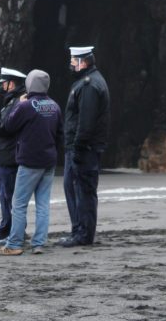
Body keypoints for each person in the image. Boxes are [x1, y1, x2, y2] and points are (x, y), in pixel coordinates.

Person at [0, 69, 62, 255]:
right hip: (49, 160)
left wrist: (18, 106)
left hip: (30, 161)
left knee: (19, 203)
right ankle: (39, 242)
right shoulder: (54, 106)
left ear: (30, 84)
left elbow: (8, 126)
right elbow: (60, 134)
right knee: (43, 203)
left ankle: (14, 243)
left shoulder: (26, 106)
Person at [59, 46, 110, 248]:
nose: (71, 64)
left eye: (73, 60)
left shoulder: (89, 85)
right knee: (75, 189)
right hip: (81, 148)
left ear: (83, 62)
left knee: (83, 191)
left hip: (83, 149)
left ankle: (83, 234)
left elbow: (86, 122)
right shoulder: (87, 82)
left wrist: (78, 148)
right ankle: (79, 230)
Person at [0, 67, 27, 246]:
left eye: (4, 83)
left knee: (8, 196)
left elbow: (4, 128)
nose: (2, 87)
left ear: (11, 83)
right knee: (8, 196)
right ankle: (9, 230)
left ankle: (9, 231)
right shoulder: (15, 101)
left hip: (9, 157)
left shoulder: (16, 102)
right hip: (9, 155)